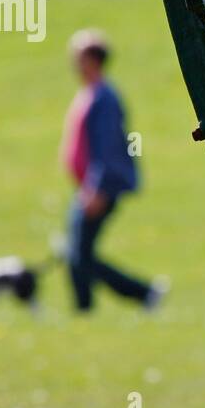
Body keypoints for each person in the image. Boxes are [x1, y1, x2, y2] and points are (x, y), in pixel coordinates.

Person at [59, 29, 163, 311]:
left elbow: (107, 148)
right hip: (89, 187)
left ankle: (140, 295)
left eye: (78, 57)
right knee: (77, 253)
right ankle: (137, 296)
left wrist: (97, 188)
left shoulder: (104, 98)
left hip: (99, 188)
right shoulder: (93, 94)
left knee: (78, 254)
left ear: (92, 60)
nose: (73, 63)